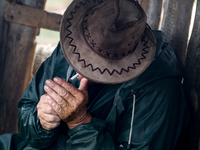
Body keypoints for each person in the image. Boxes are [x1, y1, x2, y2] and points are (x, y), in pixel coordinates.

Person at [0, 0, 190, 149]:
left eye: (99, 64)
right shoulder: (73, 47)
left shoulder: (159, 91)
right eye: (85, 55)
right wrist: (41, 122)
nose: (82, 69)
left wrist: (80, 123)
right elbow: (26, 113)